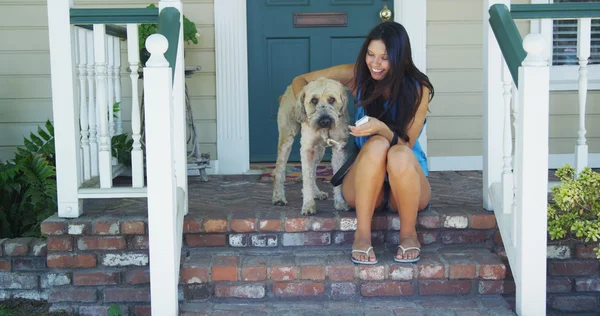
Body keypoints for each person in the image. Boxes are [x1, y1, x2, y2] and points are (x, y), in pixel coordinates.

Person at [290, 21, 434, 264]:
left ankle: (409, 235)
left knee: (397, 152)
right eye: (370, 54)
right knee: (376, 145)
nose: (374, 64)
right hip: (366, 184)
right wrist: (309, 112)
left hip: (406, 184)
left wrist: (381, 128)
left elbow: (406, 143)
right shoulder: (356, 76)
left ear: (400, 58)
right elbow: (300, 81)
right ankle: (362, 236)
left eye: (384, 58)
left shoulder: (418, 89)